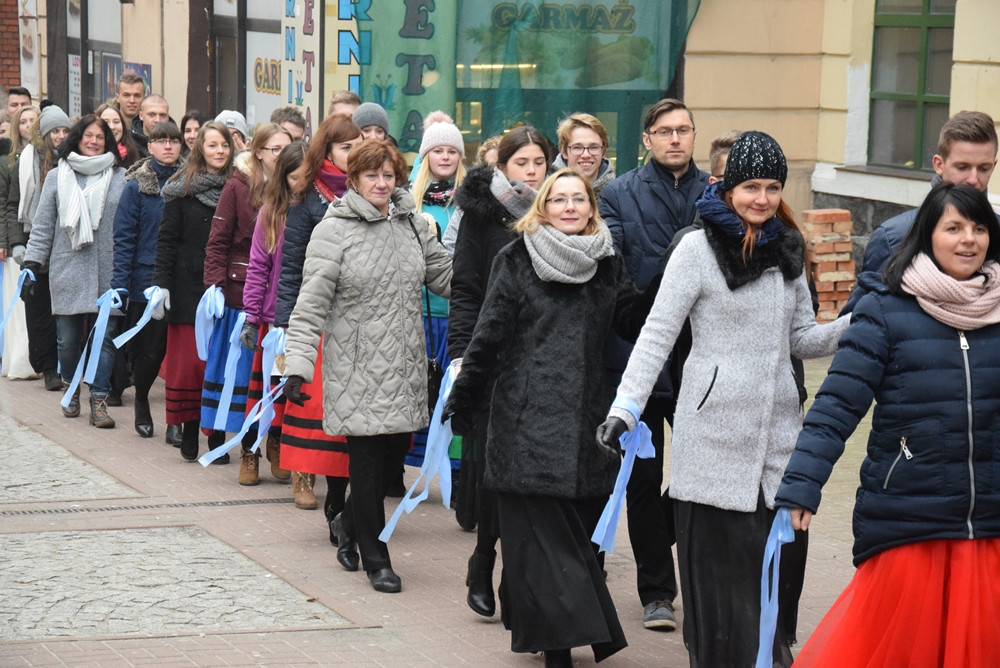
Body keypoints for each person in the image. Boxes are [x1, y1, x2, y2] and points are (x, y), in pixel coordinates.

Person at [596, 131, 849, 667]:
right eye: (751, 186)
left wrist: (855, 323)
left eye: (773, 187)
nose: (763, 198)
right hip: (712, 448)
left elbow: (803, 339)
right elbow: (657, 335)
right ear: (728, 187)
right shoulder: (696, 248)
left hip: (778, 451)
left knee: (770, 599)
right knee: (721, 609)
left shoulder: (787, 248)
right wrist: (625, 409)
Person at [776, 182, 1000, 666]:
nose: (969, 239)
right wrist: (801, 486)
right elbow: (836, 406)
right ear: (928, 234)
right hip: (910, 518)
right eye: (954, 228)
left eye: (979, 228)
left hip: (989, 526)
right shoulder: (884, 309)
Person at [444, 168, 638, 667]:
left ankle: (538, 623)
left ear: (592, 208)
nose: (570, 207)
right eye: (559, 199)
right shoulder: (516, 259)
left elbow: (632, 321)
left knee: (564, 541)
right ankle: (557, 651)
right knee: (547, 544)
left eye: (579, 199)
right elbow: (488, 335)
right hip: (524, 422)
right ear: (543, 208)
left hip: (587, 423)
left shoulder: (608, 264)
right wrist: (464, 398)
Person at [283, 140, 452, 594]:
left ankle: (347, 522)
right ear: (353, 180)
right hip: (355, 366)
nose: (381, 183)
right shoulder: (333, 230)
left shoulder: (413, 224)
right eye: (371, 175)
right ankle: (377, 559)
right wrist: (297, 365)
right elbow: (310, 304)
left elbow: (445, 277)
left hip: (405, 364)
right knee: (367, 461)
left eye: (388, 175)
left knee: (391, 457)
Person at [597, 97, 710, 631]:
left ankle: (688, 569)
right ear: (647, 139)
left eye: (683, 130)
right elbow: (616, 269)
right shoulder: (617, 193)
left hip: (702, 359)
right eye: (664, 131)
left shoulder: (716, 191)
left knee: (700, 474)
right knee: (642, 478)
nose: (675, 139)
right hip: (638, 354)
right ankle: (657, 592)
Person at [448, 125, 552, 615]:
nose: (531, 172)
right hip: (492, 358)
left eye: (539, 162)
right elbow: (466, 289)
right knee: (494, 470)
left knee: (529, 474)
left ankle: (516, 577)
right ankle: (483, 559)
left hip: (544, 359)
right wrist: (461, 355)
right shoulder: (482, 213)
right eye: (521, 163)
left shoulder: (559, 210)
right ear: (502, 167)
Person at [273, 113, 362, 511]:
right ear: (327, 151)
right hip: (317, 317)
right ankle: (303, 474)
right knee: (311, 400)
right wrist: (285, 323)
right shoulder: (307, 199)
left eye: (358, 145)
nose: (354, 152)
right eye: (346, 147)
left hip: (357, 318)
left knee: (349, 405)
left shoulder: (369, 190)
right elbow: (291, 266)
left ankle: (345, 481)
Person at [21, 114, 126, 427]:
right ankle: (70, 387)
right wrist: (31, 263)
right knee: (67, 341)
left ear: (108, 142)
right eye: (88, 136)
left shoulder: (121, 177)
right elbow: (42, 226)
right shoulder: (57, 176)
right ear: (77, 139)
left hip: (109, 271)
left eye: (100, 137)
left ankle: (99, 400)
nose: (94, 141)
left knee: (104, 339)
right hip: (67, 268)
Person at [202, 122, 293, 478]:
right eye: (275, 149)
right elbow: (218, 242)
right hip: (244, 298)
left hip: (284, 306)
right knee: (248, 382)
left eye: (287, 148)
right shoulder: (239, 186)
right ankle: (249, 449)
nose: (281, 155)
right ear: (258, 152)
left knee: (279, 379)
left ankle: (277, 442)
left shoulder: (298, 190)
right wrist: (215, 287)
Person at [842, 111, 998, 313]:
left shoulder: (997, 231)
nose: (973, 179)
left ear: (994, 165)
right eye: (962, 167)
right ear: (939, 165)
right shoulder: (893, 237)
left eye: (984, 168)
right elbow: (859, 318)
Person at [151, 121, 233, 461]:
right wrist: (161, 283)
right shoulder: (180, 189)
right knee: (189, 366)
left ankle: (216, 434)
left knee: (220, 364)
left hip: (225, 288)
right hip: (187, 289)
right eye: (212, 145)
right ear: (200, 148)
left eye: (224, 145)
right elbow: (166, 241)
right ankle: (188, 428)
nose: (219, 151)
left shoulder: (240, 187)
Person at [404, 111, 467, 476]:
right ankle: (401, 466)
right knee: (416, 393)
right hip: (418, 316)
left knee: (452, 396)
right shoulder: (408, 201)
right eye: (438, 150)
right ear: (425, 155)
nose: (445, 157)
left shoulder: (469, 201)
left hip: (456, 316)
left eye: (452, 151)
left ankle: (454, 471)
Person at [110, 121, 182, 438]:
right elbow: (124, 239)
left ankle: (177, 420)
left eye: (173, 141)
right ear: (149, 146)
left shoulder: (190, 182)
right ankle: (141, 399)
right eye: (161, 140)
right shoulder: (136, 187)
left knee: (180, 355)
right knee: (151, 351)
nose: (168, 146)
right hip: (147, 279)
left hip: (184, 280)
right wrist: (120, 285)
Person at [241, 141, 307, 485]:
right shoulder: (271, 214)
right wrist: (252, 317)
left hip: (306, 322)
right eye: (294, 177)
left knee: (289, 394)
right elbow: (257, 268)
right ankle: (249, 451)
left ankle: (279, 445)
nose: (300, 184)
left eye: (306, 177)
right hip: (273, 322)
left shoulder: (321, 213)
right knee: (263, 392)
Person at [5, 105, 70, 392]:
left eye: (65, 130)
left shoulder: (74, 160)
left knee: (65, 311)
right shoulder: (26, 161)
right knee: (39, 310)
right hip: (36, 243)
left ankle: (67, 365)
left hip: (67, 245)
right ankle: (48, 367)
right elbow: (12, 204)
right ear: (43, 133)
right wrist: (17, 242)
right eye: (55, 130)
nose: (60, 136)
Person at [0, 104, 40, 380]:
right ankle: (20, 360)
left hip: (40, 240)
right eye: (23, 121)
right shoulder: (8, 162)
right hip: (17, 241)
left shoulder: (49, 157)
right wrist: (5, 240)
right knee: (18, 304)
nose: (28, 125)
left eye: (32, 120)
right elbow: (5, 204)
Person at [552, 113, 615, 196]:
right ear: (564, 152)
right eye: (577, 147)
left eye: (593, 147)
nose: (586, 155)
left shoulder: (618, 194)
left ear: (603, 152)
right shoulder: (545, 192)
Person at [96, 104, 142, 170]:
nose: (112, 127)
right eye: (106, 123)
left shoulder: (136, 155)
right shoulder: (87, 155)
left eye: (116, 122)